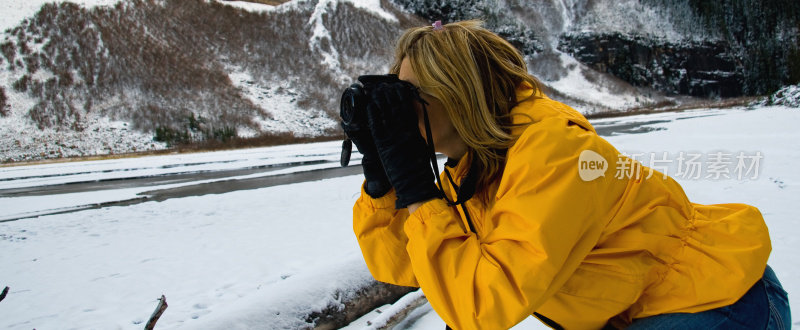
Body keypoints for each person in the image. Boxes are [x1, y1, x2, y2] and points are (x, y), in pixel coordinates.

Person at [342, 20, 790, 329]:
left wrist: (419, 190)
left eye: (409, 97)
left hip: (720, 299)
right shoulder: (472, 166)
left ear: (460, 95)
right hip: (640, 310)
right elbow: (405, 266)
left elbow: (482, 304)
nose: (398, 115)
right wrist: (384, 178)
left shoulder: (553, 151)